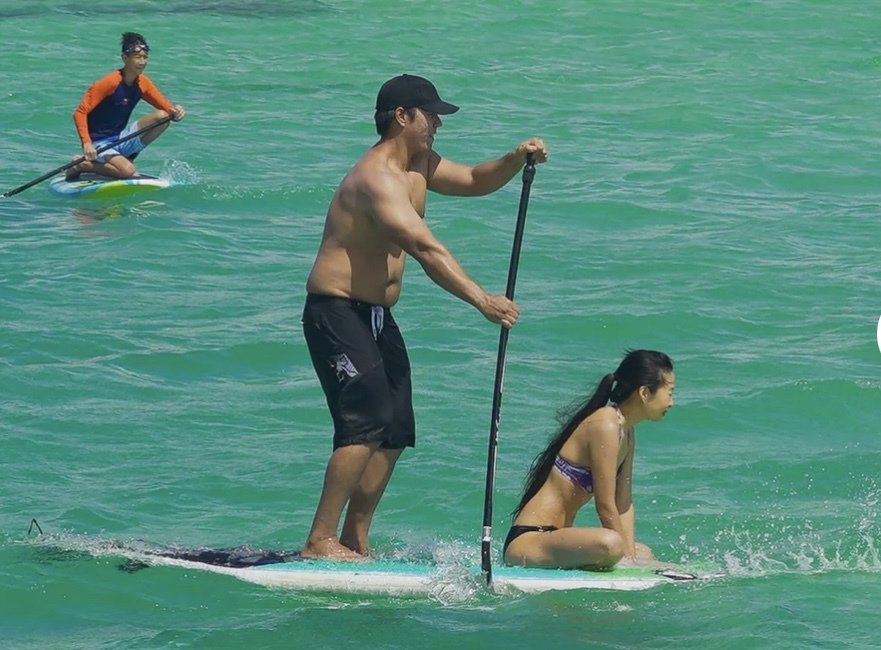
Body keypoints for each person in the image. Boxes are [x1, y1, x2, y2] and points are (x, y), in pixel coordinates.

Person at [301, 73, 548, 560]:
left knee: (395, 427)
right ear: (401, 116)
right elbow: (423, 247)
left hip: (376, 316)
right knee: (365, 419)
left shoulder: (419, 166)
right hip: (336, 312)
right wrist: (481, 299)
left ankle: (355, 538)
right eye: (430, 115)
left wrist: (514, 158)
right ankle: (319, 539)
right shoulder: (377, 178)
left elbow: (477, 179)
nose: (437, 123)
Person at [503, 349, 675, 570]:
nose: (671, 402)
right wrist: (624, 559)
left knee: (642, 552)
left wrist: (630, 557)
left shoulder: (627, 432)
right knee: (612, 544)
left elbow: (623, 504)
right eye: (669, 392)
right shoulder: (606, 424)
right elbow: (605, 506)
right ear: (644, 393)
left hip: (556, 540)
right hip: (530, 539)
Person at [65, 32, 185, 181]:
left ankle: (127, 158)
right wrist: (87, 144)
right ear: (125, 58)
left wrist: (176, 111)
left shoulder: (143, 83)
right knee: (128, 172)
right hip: (99, 142)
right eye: (137, 57)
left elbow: (168, 109)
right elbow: (80, 112)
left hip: (120, 138)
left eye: (145, 57)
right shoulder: (110, 82)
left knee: (163, 118)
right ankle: (83, 165)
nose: (142, 62)